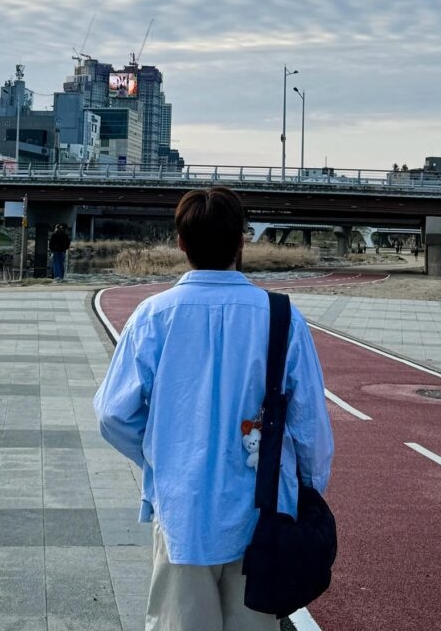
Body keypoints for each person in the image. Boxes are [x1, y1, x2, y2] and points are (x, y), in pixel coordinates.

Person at [94, 187, 333, 630]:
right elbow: (309, 423)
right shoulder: (281, 316)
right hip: (264, 515)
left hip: (184, 509)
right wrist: (309, 489)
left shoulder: (153, 315)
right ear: (242, 241)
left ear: (181, 243)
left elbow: (112, 413)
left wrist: (158, 455)